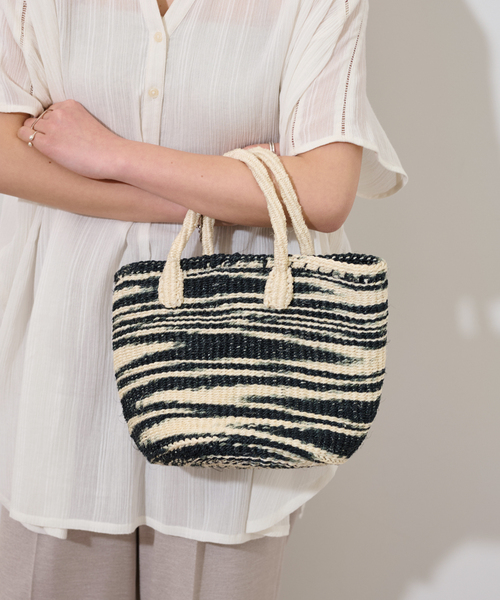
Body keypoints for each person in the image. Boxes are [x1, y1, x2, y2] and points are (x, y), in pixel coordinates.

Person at [0, 0, 407, 598]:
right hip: (64, 361)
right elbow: (6, 155)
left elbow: (323, 193)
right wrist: (213, 193)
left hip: (239, 365)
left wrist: (110, 155)